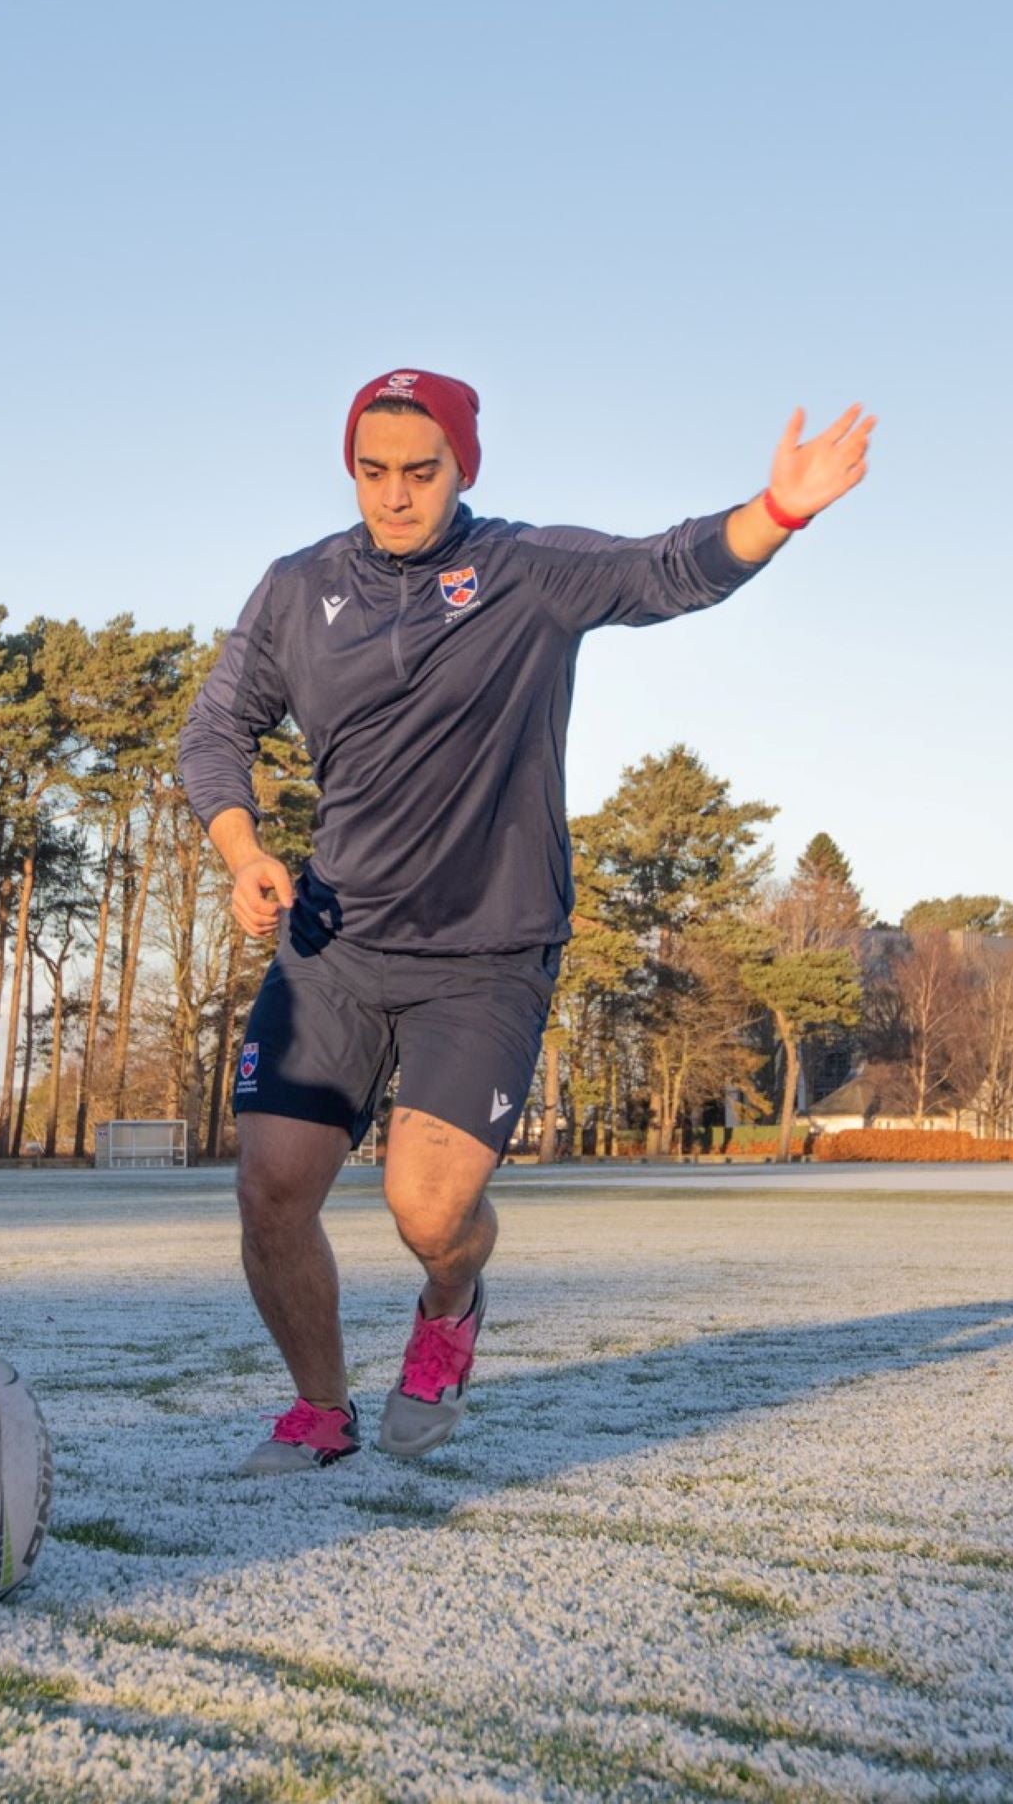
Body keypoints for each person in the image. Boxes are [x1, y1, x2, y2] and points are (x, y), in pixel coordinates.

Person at [178, 368, 872, 1473]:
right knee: (269, 1188)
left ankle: (450, 1303)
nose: (394, 494)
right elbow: (214, 728)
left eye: (421, 471)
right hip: (332, 943)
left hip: (485, 951)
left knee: (426, 1209)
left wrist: (777, 509)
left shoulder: (524, 571)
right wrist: (241, 847)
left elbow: (664, 568)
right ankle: (320, 1410)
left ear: (463, 468)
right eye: (371, 470)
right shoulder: (297, 587)